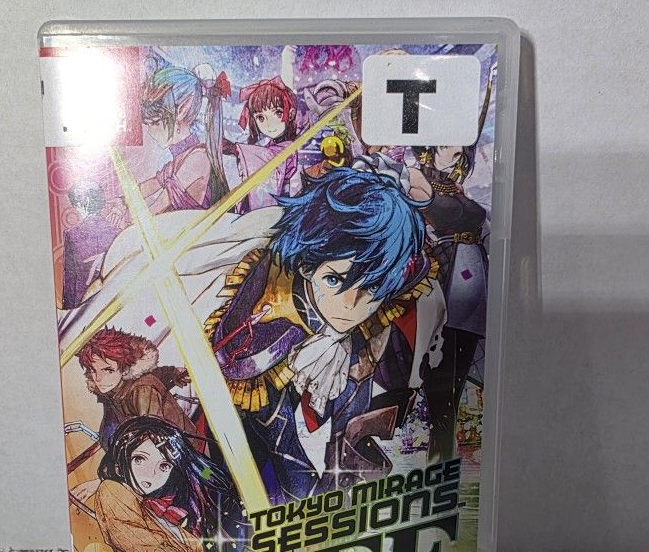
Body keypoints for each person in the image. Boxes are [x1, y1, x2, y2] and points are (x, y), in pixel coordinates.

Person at [206, 168, 446, 502]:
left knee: (356, 381)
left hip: (336, 378)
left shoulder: (390, 277)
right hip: (260, 385)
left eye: (371, 288)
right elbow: (282, 445)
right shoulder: (268, 310)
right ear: (307, 266)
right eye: (334, 280)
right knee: (283, 475)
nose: (350, 304)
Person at [94, 416, 241, 552]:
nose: (150, 475)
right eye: (139, 459)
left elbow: (201, 471)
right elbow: (136, 538)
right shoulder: (113, 492)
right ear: (123, 458)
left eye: (163, 465)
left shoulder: (174, 511)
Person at [417, 71, 493, 461]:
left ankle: (442, 452)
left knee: (456, 372)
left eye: (459, 142)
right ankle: (438, 451)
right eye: (448, 142)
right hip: (439, 279)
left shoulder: (461, 182)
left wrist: (489, 88)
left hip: (469, 280)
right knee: (437, 373)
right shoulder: (420, 179)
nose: (457, 148)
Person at [71, 328, 195, 503]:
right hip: (144, 469)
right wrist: (173, 373)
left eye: (108, 370)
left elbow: (153, 448)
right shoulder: (114, 390)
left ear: (125, 368)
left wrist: (106, 481)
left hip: (182, 469)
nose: (98, 378)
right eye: (92, 370)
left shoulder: (142, 390)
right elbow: (158, 374)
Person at [109, 51, 229, 222]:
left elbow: (157, 207)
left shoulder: (198, 159)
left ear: (182, 110)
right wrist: (123, 201)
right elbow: (151, 185)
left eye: (155, 123)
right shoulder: (179, 160)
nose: (150, 131)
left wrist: (126, 219)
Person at [223, 77, 301, 212]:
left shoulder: (287, 148)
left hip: (279, 208)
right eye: (261, 117)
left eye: (277, 113)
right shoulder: (272, 145)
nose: (269, 124)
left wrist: (235, 149)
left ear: (291, 114)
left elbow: (268, 158)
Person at [61, 181, 119, 308]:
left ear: (84, 202)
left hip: (83, 305)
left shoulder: (72, 235)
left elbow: (70, 282)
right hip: (111, 302)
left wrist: (69, 311)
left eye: (75, 203)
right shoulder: (117, 232)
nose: (75, 208)